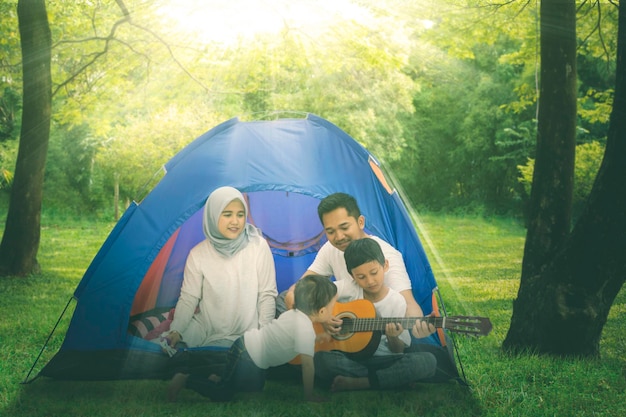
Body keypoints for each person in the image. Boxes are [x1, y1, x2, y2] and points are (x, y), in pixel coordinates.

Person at [162, 186, 278, 394]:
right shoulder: (198, 254)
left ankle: (195, 375)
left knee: (251, 378)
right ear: (213, 216)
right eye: (227, 215)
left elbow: (267, 295)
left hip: (246, 331)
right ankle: (206, 372)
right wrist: (177, 329)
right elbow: (189, 298)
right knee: (169, 347)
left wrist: (265, 335)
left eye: (240, 214)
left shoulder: (258, 246)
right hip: (207, 327)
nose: (235, 221)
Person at [169, 274, 338, 402]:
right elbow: (308, 366)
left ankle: (220, 376)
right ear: (322, 312)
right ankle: (186, 380)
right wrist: (309, 395)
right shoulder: (305, 328)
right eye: (332, 307)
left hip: (247, 348)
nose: (332, 311)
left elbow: (290, 338)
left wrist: (318, 338)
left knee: (253, 388)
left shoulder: (293, 314)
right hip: (248, 355)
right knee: (225, 393)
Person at [281, 192, 430, 337]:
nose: (339, 237)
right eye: (330, 231)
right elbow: (300, 286)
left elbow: (408, 302)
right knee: (283, 299)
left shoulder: (385, 255)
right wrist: (320, 316)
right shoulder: (331, 248)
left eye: (345, 228)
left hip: (377, 337)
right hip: (343, 331)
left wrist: (418, 324)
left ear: (360, 222)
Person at [314, 238, 437, 391]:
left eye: (374, 273)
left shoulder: (397, 301)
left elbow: (398, 350)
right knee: (320, 359)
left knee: (427, 361)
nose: (370, 281)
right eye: (361, 277)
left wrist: (393, 336)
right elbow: (315, 296)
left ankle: (361, 382)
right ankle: (388, 380)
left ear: (385, 265)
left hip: (387, 360)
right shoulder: (348, 288)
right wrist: (324, 318)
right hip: (351, 359)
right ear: (352, 276)